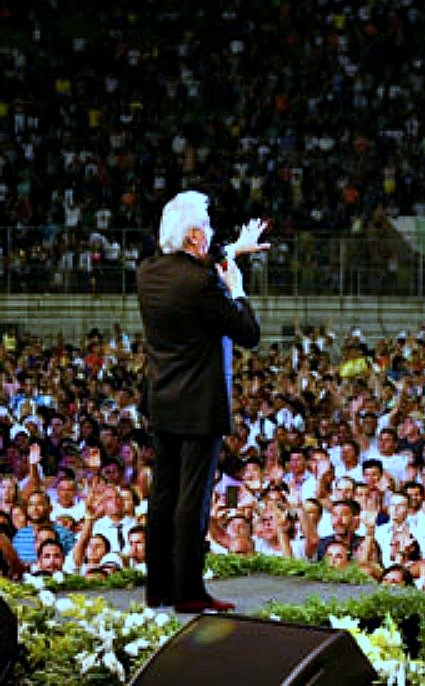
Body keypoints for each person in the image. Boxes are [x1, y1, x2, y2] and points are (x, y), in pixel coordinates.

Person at [137, 191, 268, 613]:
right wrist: (239, 289)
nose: (211, 235)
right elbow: (248, 332)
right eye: (207, 230)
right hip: (199, 404)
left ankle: (158, 588)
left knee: (163, 494)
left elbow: (192, 269)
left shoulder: (149, 271)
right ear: (195, 236)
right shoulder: (203, 282)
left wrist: (234, 250)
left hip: (162, 399)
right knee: (191, 499)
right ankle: (189, 592)